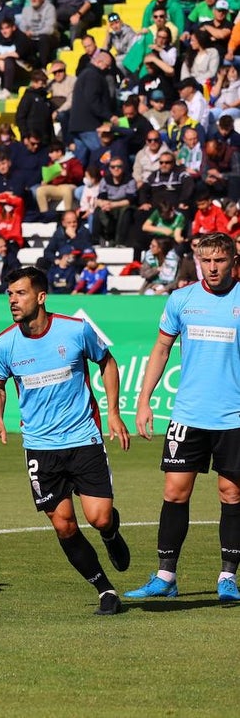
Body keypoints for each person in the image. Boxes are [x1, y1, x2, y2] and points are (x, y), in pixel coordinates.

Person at [0, 267, 132, 616]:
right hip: (40, 446)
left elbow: (107, 363)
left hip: (83, 438)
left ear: (41, 296)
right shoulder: (4, 343)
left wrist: (113, 411)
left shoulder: (76, 329)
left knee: (98, 518)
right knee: (64, 524)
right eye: (9, 294)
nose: (13, 301)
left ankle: (111, 532)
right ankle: (105, 589)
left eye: (20, 293)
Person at [126, 232, 240, 603]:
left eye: (220, 260)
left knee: (232, 493)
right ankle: (165, 575)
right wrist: (144, 400)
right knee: (175, 492)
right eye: (206, 260)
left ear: (232, 261)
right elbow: (161, 349)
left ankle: (227, 577)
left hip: (233, 417)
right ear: (198, 261)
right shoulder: (182, 299)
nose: (212, 268)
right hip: (189, 414)